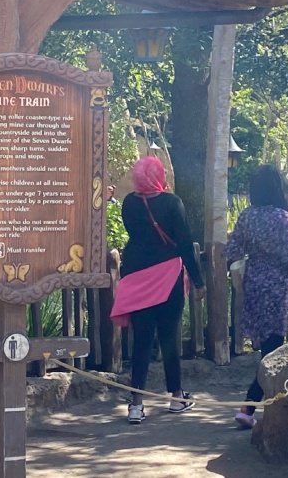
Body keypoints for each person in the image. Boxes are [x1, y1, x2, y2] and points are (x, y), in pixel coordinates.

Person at [110, 156, 204, 424]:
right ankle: (176, 396)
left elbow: (135, 233)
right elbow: (184, 242)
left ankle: (136, 405)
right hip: (167, 276)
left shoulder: (129, 203)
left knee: (141, 340)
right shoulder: (172, 203)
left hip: (137, 275)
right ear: (160, 175)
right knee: (169, 337)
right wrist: (198, 280)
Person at [225, 165, 288, 429]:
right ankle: (251, 407)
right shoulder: (282, 218)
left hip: (254, 282)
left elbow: (233, 249)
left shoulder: (246, 216)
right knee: (273, 350)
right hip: (277, 284)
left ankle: (254, 406)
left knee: (265, 347)